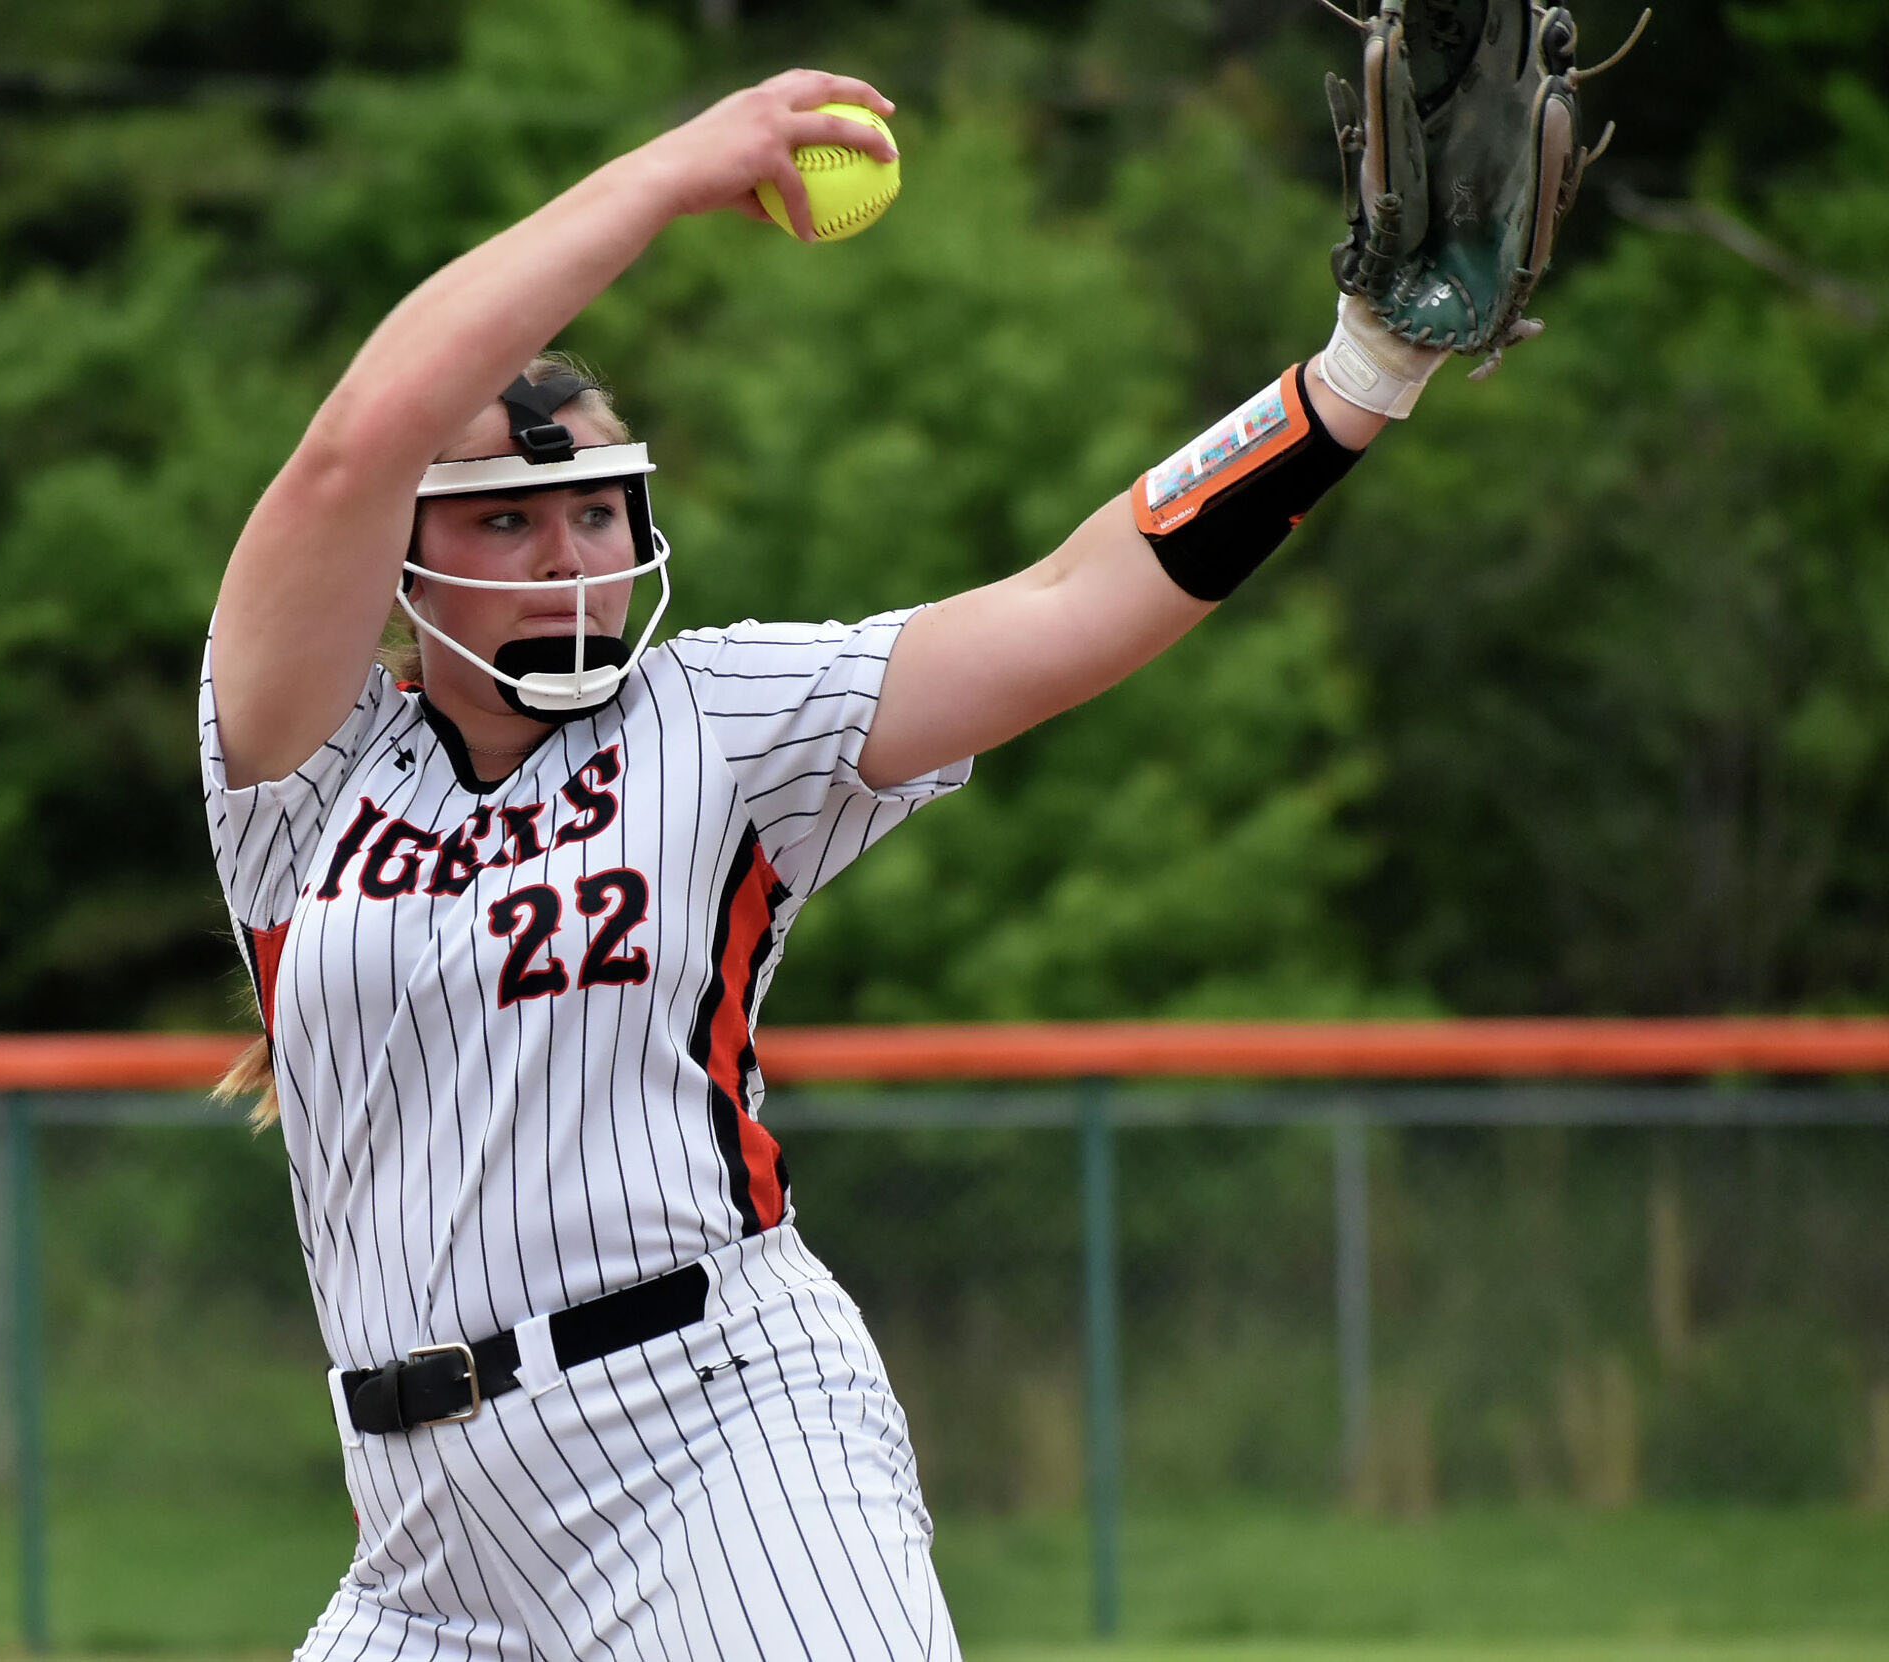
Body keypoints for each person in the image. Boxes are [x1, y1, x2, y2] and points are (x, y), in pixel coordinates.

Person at [202, 67, 1436, 1662]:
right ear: (406, 555)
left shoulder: (709, 721)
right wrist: (658, 178)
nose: (572, 555)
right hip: (426, 1546)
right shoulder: (299, 780)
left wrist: (1358, 376)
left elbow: (1068, 604)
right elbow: (350, 448)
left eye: (596, 509)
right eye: (512, 522)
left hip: (714, 1441)